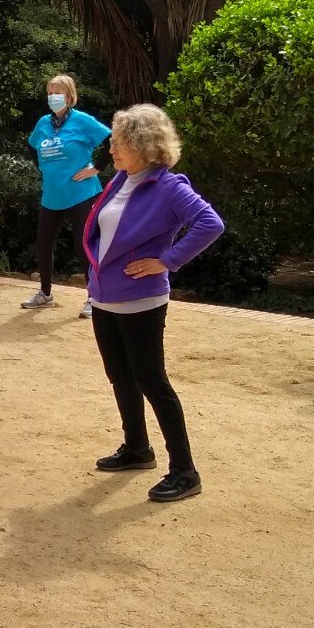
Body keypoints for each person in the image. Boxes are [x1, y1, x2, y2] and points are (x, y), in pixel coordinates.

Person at [84, 105, 225, 502]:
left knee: (152, 382)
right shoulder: (120, 180)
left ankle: (185, 471)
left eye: (120, 143)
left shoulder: (168, 186)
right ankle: (136, 449)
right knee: (120, 375)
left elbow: (210, 223)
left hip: (141, 300)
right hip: (106, 297)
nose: (112, 149)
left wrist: (167, 261)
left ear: (143, 146)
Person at [24, 74, 112, 317]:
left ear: (70, 95)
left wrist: (96, 168)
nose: (53, 96)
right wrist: (43, 168)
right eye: (50, 92)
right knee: (43, 244)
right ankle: (45, 294)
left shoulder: (82, 121)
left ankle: (94, 297)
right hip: (52, 194)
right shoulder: (43, 123)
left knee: (83, 245)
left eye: (58, 92)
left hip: (81, 193)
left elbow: (112, 141)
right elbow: (31, 146)